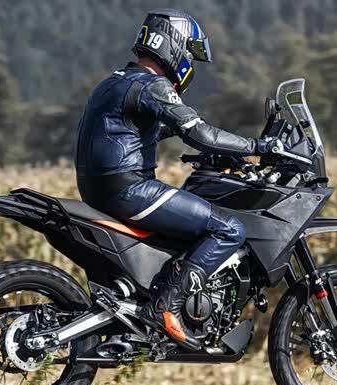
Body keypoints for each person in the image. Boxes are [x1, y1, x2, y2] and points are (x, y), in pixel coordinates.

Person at [75, 8, 276, 351]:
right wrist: (260, 147)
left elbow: (147, 131)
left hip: (101, 189)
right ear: (174, 46)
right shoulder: (152, 85)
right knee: (228, 229)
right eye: (190, 53)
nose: (190, 62)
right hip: (129, 189)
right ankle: (166, 307)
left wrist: (221, 154)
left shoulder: (116, 81)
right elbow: (200, 133)